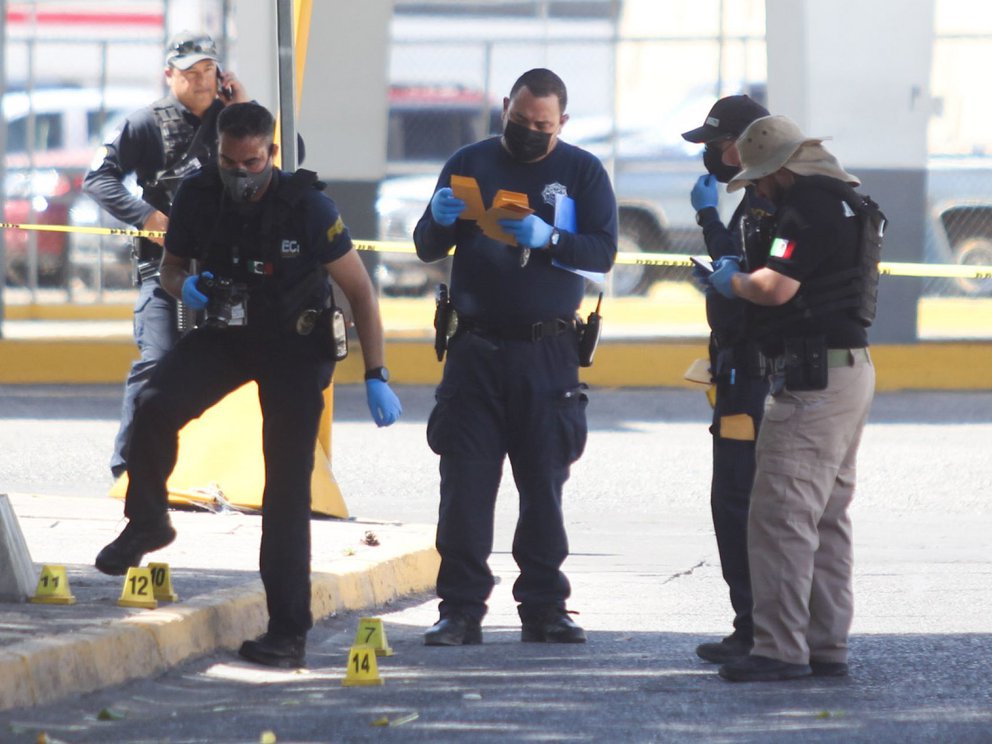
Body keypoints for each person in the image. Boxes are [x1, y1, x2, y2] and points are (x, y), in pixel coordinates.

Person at [94, 102, 403, 669]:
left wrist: (376, 374)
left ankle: (287, 632)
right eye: (229, 162)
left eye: (252, 162)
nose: (240, 174)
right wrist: (183, 285)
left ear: (272, 155)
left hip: (295, 345)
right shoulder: (197, 193)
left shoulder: (308, 206)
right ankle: (147, 521)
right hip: (228, 331)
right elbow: (171, 265)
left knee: (284, 488)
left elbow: (360, 291)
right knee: (155, 403)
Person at [413, 68, 617, 646]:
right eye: (520, 120)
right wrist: (439, 219)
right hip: (475, 346)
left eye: (542, 125)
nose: (529, 131)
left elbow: (603, 252)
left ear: (562, 123)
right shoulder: (469, 161)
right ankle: (459, 608)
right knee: (465, 483)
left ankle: (545, 606)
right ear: (504, 107)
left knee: (543, 483)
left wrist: (547, 238)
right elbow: (427, 245)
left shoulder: (581, 171)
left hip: (547, 350)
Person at [703, 115, 877, 682]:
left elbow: (774, 287)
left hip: (812, 380)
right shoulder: (847, 201)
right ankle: (826, 644)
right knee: (825, 518)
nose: (755, 189)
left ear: (779, 169)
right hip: (848, 371)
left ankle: (778, 649)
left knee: (780, 515)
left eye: (758, 179)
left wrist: (729, 278)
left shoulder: (808, 209)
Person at [83, 31, 248, 480]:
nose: (201, 82)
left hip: (228, 269)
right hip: (165, 269)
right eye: (190, 73)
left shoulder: (233, 119)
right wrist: (145, 216)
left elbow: (283, 159)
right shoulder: (146, 124)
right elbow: (98, 178)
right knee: (157, 359)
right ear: (169, 75)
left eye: (208, 72)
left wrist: (243, 111)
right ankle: (129, 467)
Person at [681, 95, 770, 664]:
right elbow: (733, 273)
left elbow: (742, 283)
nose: (712, 157)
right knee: (736, 503)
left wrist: (709, 220)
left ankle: (758, 628)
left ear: (745, 143)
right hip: (740, 370)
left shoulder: (761, 205)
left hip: (751, 377)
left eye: (716, 145)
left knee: (738, 502)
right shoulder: (756, 203)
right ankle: (753, 624)